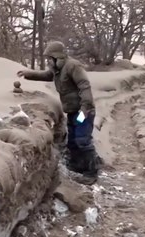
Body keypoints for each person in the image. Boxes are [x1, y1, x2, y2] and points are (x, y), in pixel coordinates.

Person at [17, 41, 102, 185]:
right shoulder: (57, 69)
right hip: (72, 111)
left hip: (83, 111)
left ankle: (91, 172)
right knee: (73, 140)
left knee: (83, 140)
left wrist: (85, 108)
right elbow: (46, 75)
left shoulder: (73, 66)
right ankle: (77, 166)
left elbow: (84, 86)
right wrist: (28, 74)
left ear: (57, 57)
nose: (48, 61)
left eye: (50, 58)